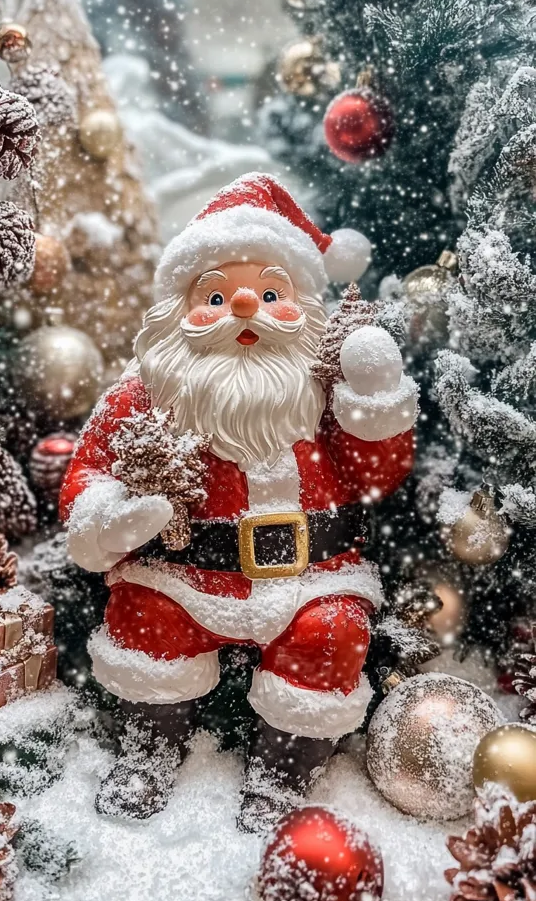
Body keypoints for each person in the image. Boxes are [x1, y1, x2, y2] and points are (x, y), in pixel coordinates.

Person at [60, 173, 417, 831]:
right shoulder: (145, 392)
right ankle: (148, 749)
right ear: (178, 311)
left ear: (304, 305)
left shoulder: (321, 383)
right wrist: (112, 517)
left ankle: (285, 769)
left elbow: (375, 475)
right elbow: (87, 473)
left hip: (313, 576)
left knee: (331, 632)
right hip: (184, 573)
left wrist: (373, 400)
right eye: (217, 295)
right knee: (146, 618)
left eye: (270, 292)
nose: (245, 307)